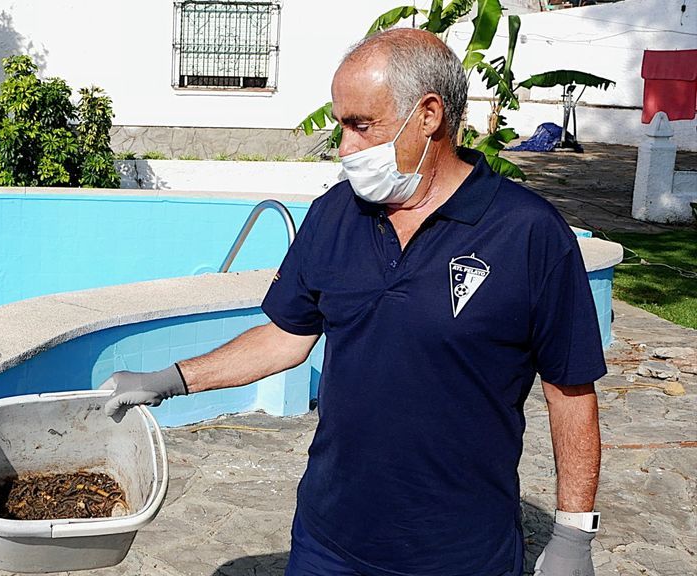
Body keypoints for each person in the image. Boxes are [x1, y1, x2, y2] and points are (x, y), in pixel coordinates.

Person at [102, 28, 605, 576]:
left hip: (461, 551)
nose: (345, 148)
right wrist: (170, 379)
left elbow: (570, 390)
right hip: (329, 540)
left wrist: (573, 536)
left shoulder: (529, 232)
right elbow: (285, 337)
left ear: (429, 114)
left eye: (361, 126)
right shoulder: (335, 214)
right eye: (342, 126)